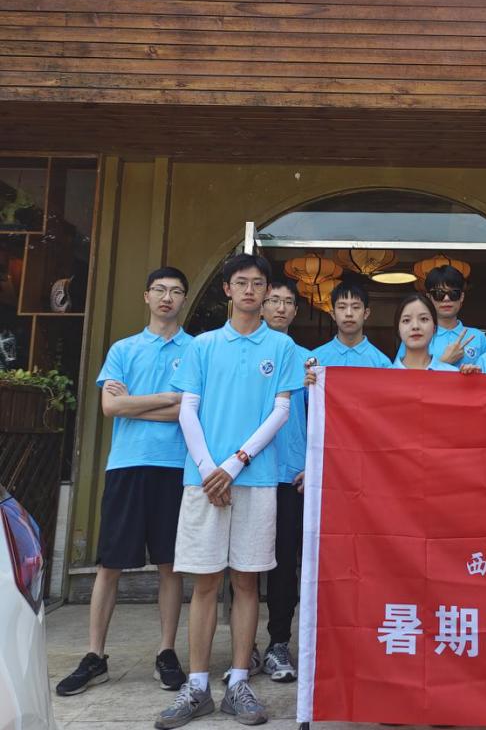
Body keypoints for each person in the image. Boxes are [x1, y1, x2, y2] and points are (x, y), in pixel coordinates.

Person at [155, 254, 304, 729]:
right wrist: (208, 468)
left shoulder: (282, 346)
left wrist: (235, 463)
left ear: (267, 291)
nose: (250, 290)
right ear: (227, 289)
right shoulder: (202, 345)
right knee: (204, 582)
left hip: (256, 478)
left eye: (258, 283)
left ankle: (239, 680)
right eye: (241, 282)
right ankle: (197, 685)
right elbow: (187, 408)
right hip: (204, 481)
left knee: (246, 581)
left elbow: (281, 411)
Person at [57, 268, 191, 698]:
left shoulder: (195, 350)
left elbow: (187, 411)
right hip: (126, 465)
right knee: (109, 564)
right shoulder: (123, 349)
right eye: (160, 290)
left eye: (175, 291)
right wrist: (165, 398)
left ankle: (166, 652)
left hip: (175, 467)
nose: (167, 297)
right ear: (146, 296)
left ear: (184, 299)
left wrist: (133, 402)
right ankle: (95, 655)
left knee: (170, 564)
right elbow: (110, 407)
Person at [260, 278, 311, 684]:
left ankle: (279, 642)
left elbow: (322, 421)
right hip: (247, 473)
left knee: (284, 564)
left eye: (287, 302)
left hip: (291, 476)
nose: (280, 307)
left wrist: (313, 465)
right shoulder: (243, 353)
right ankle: (243, 647)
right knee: (242, 566)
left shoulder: (309, 362)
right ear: (261, 306)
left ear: (296, 310)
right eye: (273, 300)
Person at [397, 264, 486, 367]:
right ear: (429, 297)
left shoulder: (478, 337)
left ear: (462, 297)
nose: (446, 299)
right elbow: (401, 375)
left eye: (453, 293)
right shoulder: (417, 335)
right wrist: (444, 362)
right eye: (439, 294)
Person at [311, 280, 392, 368]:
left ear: (366, 313)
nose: (349, 313)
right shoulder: (315, 359)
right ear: (333, 314)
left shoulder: (382, 363)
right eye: (342, 307)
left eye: (355, 307)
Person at [392, 292, 458, 371]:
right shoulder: (385, 375)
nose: (415, 326)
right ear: (398, 329)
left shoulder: (452, 373)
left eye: (424, 319)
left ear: (434, 328)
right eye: (406, 320)